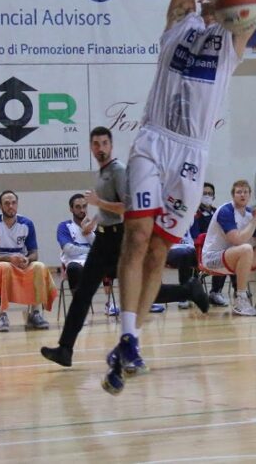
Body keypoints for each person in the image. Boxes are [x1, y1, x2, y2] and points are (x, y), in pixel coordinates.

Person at [103, 0, 256, 395]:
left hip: (191, 154)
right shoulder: (178, 23)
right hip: (152, 140)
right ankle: (125, 333)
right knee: (137, 237)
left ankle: (133, 339)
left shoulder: (232, 44)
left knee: (160, 249)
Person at [41, 127, 207, 368]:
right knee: (84, 293)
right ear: (91, 147)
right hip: (102, 240)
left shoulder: (118, 171)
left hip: (120, 240)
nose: (100, 148)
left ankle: (189, 291)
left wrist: (99, 203)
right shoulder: (102, 173)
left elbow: (129, 207)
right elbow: (109, 208)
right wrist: (98, 215)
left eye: (104, 143)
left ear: (111, 146)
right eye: (95, 144)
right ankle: (65, 349)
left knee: (142, 293)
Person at [201, 180, 256, 316]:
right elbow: (237, 239)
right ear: (233, 195)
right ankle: (240, 300)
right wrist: (254, 220)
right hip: (213, 258)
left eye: (245, 192)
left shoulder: (249, 213)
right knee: (246, 248)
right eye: (239, 192)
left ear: (250, 195)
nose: (242, 195)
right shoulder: (226, 210)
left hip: (236, 257)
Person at [0, 190, 55, 332]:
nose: (11, 206)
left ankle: (35, 312)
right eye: (7, 203)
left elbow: (34, 253)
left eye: (13, 203)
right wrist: (9, 259)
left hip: (20, 263)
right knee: (4, 267)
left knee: (39, 266)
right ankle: (1, 314)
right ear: (0, 206)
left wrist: (27, 259)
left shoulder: (27, 223)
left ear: (17, 204)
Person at [192, 182, 229, 306]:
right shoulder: (194, 213)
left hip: (217, 248)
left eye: (210, 194)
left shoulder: (218, 212)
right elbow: (195, 236)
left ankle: (216, 292)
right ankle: (193, 293)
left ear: (213, 196)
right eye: (204, 193)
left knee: (229, 256)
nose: (207, 196)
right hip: (200, 249)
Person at [57, 194, 97, 292]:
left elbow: (101, 248)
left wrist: (87, 232)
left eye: (84, 206)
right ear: (71, 209)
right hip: (74, 262)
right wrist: (92, 250)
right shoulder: (64, 226)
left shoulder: (94, 226)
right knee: (74, 269)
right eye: (78, 207)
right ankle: (79, 303)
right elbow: (69, 250)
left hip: (93, 261)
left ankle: (109, 302)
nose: (82, 210)